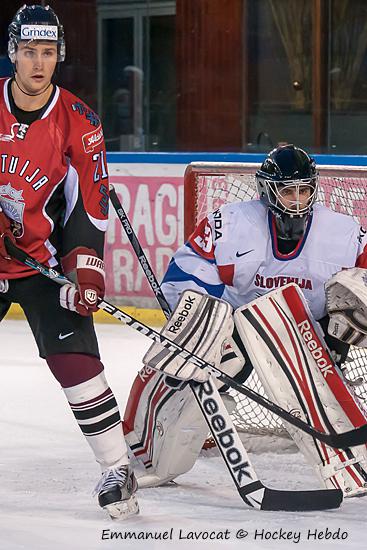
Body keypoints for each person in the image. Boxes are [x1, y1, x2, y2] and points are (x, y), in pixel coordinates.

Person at [123, 144, 367, 494]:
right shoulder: (230, 223)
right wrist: (210, 327)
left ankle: (351, 464)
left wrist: (340, 330)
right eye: (287, 190)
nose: (297, 199)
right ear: (268, 190)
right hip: (234, 329)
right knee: (194, 375)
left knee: (323, 394)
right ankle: (150, 451)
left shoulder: (343, 233)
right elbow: (184, 277)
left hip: (307, 336)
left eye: (304, 190)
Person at [0, 4, 138, 520]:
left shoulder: (79, 121)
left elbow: (90, 203)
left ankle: (116, 467)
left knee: (75, 363)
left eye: (49, 52)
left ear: (59, 56)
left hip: (42, 263)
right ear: (12, 52)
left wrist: (83, 267)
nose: (38, 63)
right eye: (29, 51)